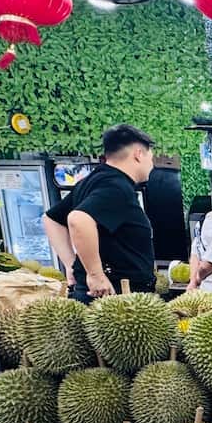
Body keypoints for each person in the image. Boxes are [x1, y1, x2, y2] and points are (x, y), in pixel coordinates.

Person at [44, 124, 156, 301]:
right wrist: (95, 275)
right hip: (114, 299)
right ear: (138, 154)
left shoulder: (94, 180)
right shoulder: (116, 186)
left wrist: (72, 265)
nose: (152, 164)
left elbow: (52, 219)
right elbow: (78, 219)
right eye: (151, 157)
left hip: (103, 295)